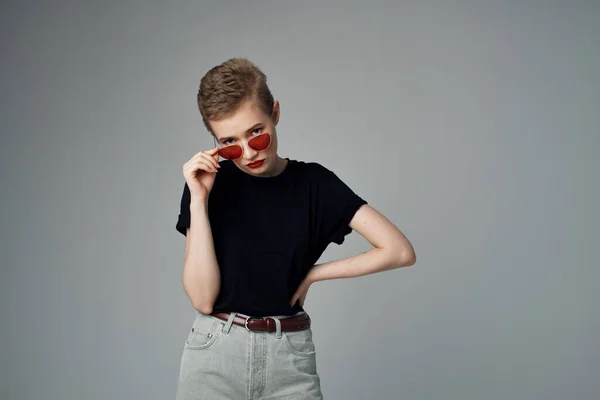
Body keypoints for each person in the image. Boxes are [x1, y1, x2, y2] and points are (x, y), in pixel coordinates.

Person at [174, 58, 416, 400]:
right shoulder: (207, 185)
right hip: (215, 355)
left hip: (288, 357)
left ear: (275, 113)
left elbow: (399, 251)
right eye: (230, 143)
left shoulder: (315, 184)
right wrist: (198, 202)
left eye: (256, 133)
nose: (247, 154)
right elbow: (202, 298)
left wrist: (314, 273)